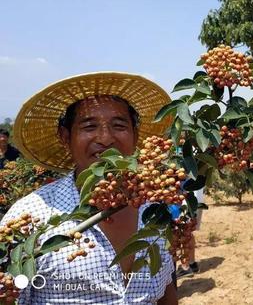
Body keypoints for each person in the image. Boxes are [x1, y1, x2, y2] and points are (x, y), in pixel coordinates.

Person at [1, 72, 177, 303]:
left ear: (135, 136)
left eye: (119, 125)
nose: (105, 138)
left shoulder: (155, 209)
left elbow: (167, 289)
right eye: (89, 126)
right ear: (65, 137)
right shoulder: (29, 218)